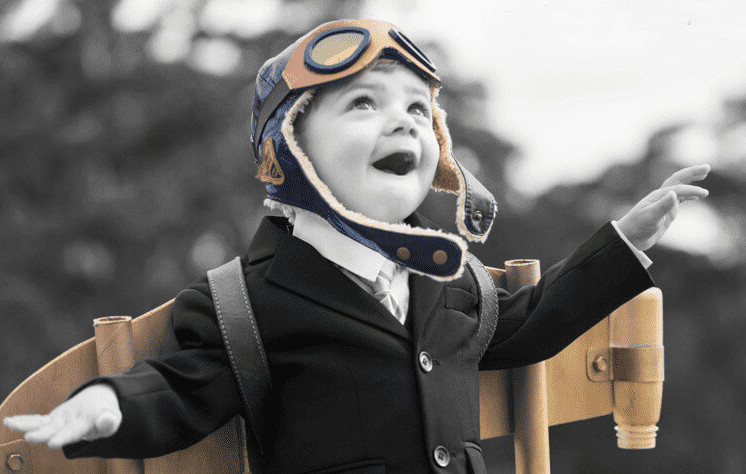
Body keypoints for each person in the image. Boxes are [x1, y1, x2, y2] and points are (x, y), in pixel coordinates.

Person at [4, 19, 709, 473]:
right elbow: (183, 388)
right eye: (364, 103)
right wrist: (109, 408)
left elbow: (524, 327)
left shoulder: (451, 278)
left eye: (416, 110)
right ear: (289, 149)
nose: (402, 125)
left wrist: (622, 243)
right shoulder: (248, 302)